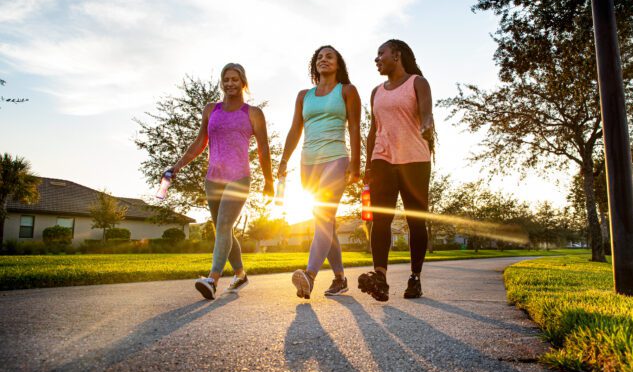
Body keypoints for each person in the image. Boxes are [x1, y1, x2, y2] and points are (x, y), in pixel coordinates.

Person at [168, 63, 274, 300]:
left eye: (235, 79)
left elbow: (264, 149)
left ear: (243, 82)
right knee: (222, 230)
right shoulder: (210, 109)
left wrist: (269, 181)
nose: (230, 83)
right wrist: (176, 166)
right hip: (213, 179)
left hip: (239, 178)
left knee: (224, 225)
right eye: (226, 79)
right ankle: (240, 273)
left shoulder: (253, 113)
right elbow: (199, 143)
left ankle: (212, 279)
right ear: (221, 82)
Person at [278, 45, 361, 299]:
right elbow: (295, 130)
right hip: (308, 162)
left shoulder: (347, 91)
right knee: (325, 222)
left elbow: (355, 127)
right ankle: (340, 279)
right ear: (315, 65)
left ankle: (310, 275)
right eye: (320, 57)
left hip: (336, 158)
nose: (324, 60)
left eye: (330, 57)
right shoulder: (304, 95)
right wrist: (283, 161)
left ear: (338, 64)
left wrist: (356, 163)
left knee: (323, 217)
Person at [359, 39, 435, 301]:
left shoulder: (417, 82)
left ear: (397, 55)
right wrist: (368, 164)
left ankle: (415, 278)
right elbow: (373, 129)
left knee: (416, 220)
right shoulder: (376, 91)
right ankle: (380, 277)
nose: (377, 59)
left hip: (414, 159)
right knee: (381, 219)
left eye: (381, 53)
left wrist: (427, 126)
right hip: (383, 159)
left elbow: (427, 114)